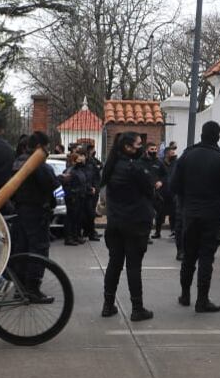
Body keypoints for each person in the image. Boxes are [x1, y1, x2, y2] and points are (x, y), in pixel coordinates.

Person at [169, 121, 220, 313]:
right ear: (217, 136)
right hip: (212, 215)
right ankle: (202, 299)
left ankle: (185, 294)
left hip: (190, 213)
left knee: (188, 255)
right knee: (206, 257)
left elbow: (173, 185)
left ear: (201, 134)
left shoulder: (186, 156)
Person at [100, 132, 158, 321]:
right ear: (128, 147)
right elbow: (149, 189)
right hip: (135, 223)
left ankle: (107, 305)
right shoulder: (135, 168)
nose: (141, 148)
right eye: (138, 144)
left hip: (115, 222)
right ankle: (137, 308)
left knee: (114, 264)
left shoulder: (113, 166)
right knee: (133, 266)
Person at [11, 131, 61, 300]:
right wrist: (61, 180)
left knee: (22, 247)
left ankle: (20, 287)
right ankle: (32, 287)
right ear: (40, 147)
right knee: (38, 249)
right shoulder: (37, 163)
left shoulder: (18, 161)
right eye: (47, 147)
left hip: (21, 209)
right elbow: (51, 183)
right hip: (37, 210)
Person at [59, 151, 88, 245]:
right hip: (73, 198)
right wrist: (72, 195)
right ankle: (69, 238)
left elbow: (82, 182)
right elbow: (66, 184)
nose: (81, 161)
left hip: (80, 197)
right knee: (71, 218)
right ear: (74, 161)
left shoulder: (80, 170)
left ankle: (76, 236)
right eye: (79, 160)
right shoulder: (69, 171)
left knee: (78, 218)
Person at [81, 144, 103, 242]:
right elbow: (88, 177)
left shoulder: (91, 161)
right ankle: (90, 232)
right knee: (89, 213)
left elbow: (100, 165)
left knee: (90, 212)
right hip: (90, 191)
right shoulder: (87, 163)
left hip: (94, 189)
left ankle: (90, 231)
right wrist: (90, 188)